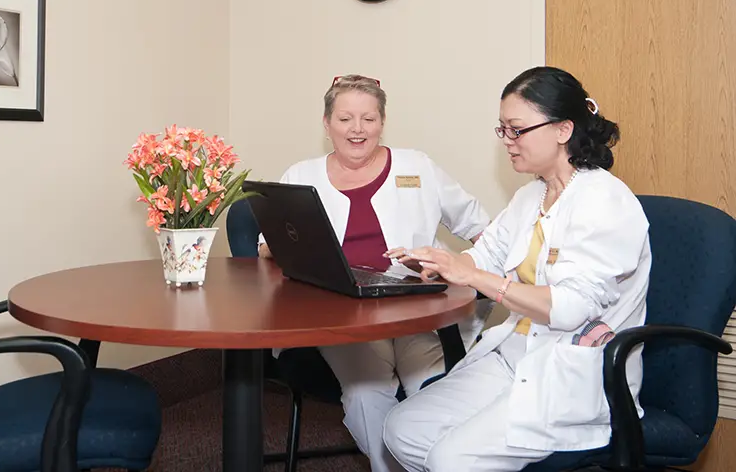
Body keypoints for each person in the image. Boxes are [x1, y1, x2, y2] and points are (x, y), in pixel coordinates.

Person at [381, 66, 651, 472]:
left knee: (449, 459)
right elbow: (485, 255)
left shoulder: (606, 202)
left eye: (517, 129)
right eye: (502, 129)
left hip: (576, 372)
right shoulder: (532, 195)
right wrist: (442, 264)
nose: (507, 141)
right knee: (402, 429)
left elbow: (569, 308)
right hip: (516, 354)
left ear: (563, 130)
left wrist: (473, 276)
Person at [258, 74, 492, 472]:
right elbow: (269, 248)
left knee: (437, 391)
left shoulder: (417, 166)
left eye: (369, 119)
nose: (357, 130)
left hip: (413, 309)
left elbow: (484, 231)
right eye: (345, 118)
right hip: (341, 317)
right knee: (367, 393)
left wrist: (447, 265)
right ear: (327, 123)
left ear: (382, 122)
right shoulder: (301, 174)